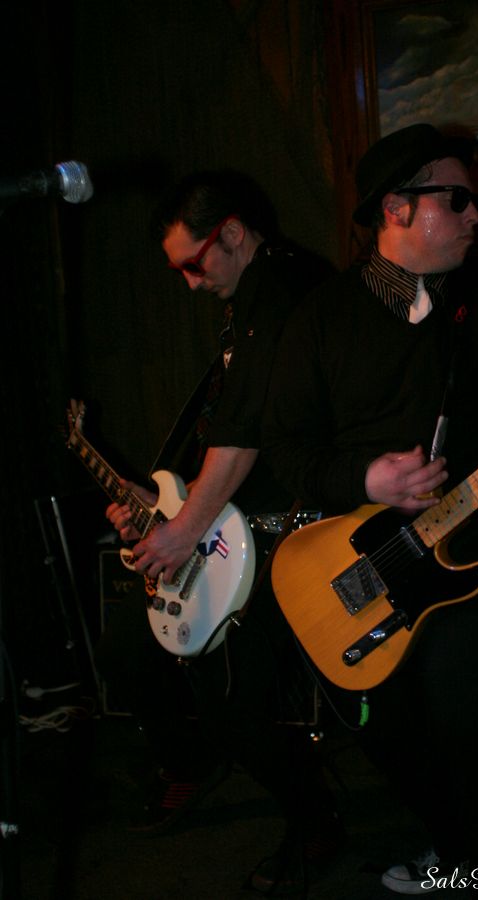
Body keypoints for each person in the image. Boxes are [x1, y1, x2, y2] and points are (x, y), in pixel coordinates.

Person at [262, 123, 478, 895]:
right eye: (457, 200)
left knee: (469, 711)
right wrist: (366, 479)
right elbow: (286, 449)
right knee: (385, 725)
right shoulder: (321, 319)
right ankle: (461, 848)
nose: (477, 214)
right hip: (374, 562)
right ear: (397, 209)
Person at [96, 169, 344, 890]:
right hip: (230, 524)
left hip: (289, 530)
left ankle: (315, 819)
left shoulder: (287, 287)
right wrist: (156, 502)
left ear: (232, 233)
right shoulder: (248, 306)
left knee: (232, 700)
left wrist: (184, 528)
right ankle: (189, 763)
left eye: (193, 265)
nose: (190, 284)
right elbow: (220, 433)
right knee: (129, 649)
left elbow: (246, 433)